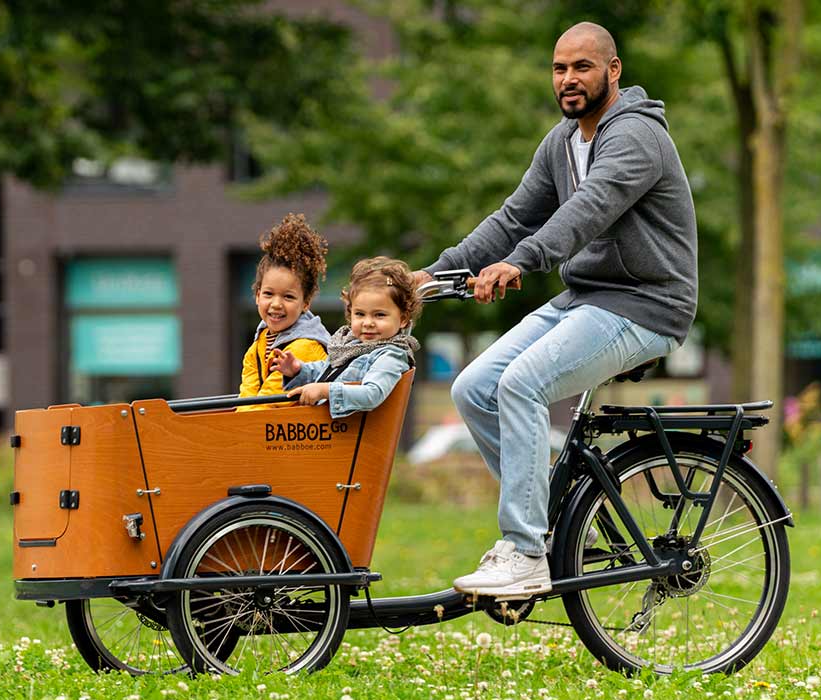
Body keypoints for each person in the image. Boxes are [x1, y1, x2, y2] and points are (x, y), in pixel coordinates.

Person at [413, 22, 698, 598]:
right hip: (587, 299)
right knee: (474, 388)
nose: (569, 79)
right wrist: (435, 273)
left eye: (582, 67)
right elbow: (513, 217)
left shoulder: (636, 136)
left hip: (648, 304)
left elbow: (588, 210)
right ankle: (551, 522)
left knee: (521, 384)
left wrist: (521, 262)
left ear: (613, 71)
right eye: (559, 68)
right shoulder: (562, 142)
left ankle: (525, 551)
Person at [272, 257, 421, 418]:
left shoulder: (390, 355)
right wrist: (298, 370)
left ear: (403, 319)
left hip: (348, 431)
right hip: (325, 428)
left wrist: (326, 390)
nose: (368, 323)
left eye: (379, 315)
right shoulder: (352, 346)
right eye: (360, 314)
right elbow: (329, 370)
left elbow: (372, 393)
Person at [237, 213, 331, 410]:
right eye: (268, 294)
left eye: (288, 297)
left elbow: (270, 402)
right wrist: (237, 421)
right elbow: (247, 397)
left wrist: (238, 424)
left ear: (306, 303)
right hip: (273, 426)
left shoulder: (305, 346)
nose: (276, 304)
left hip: (301, 427)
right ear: (257, 295)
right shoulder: (258, 345)